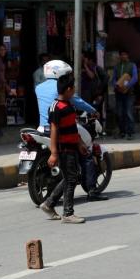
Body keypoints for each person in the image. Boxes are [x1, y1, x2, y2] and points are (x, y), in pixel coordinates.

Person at [35, 60, 107, 202]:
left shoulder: (39, 87)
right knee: (85, 152)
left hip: (42, 128)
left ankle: (58, 206)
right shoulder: (62, 92)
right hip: (61, 129)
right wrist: (93, 110)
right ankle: (92, 190)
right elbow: (78, 102)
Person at [43, 73, 88, 224]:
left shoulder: (69, 105)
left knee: (70, 178)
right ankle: (68, 213)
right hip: (63, 149)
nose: (74, 90)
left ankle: (48, 204)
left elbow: (73, 127)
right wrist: (54, 153)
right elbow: (54, 130)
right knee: (71, 179)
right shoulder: (56, 107)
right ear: (68, 89)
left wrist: (80, 143)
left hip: (72, 147)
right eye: (73, 87)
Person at [112, 49, 138, 140]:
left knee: (128, 113)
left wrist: (127, 85)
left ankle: (130, 133)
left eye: (125, 54)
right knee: (119, 113)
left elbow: (135, 78)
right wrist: (116, 85)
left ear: (128, 55)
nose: (123, 56)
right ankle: (122, 132)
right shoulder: (117, 67)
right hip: (119, 93)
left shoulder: (132, 65)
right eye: (121, 54)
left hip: (129, 93)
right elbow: (114, 79)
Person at [0, 44, 10, 137]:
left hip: (0, 87)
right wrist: (6, 86)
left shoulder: (1, 60)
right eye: (1, 49)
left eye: (4, 49)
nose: (3, 51)